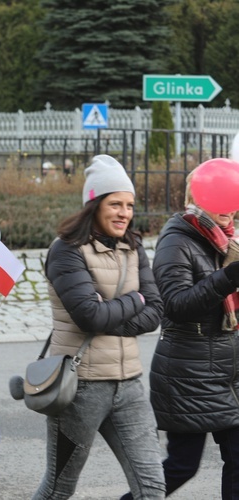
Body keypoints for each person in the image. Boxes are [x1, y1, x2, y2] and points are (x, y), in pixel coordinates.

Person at [34, 155, 165, 499]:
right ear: (94, 204)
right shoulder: (66, 250)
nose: (125, 212)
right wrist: (134, 300)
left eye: (130, 205)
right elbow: (89, 316)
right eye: (115, 204)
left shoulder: (133, 247)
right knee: (59, 487)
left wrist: (111, 312)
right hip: (80, 387)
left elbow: (156, 312)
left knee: (152, 487)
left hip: (129, 384)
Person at [137, 169, 239, 499]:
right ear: (195, 198)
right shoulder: (176, 239)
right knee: (183, 465)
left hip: (227, 374)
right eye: (219, 198)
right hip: (189, 374)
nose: (228, 207)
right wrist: (229, 277)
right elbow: (177, 305)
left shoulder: (228, 239)